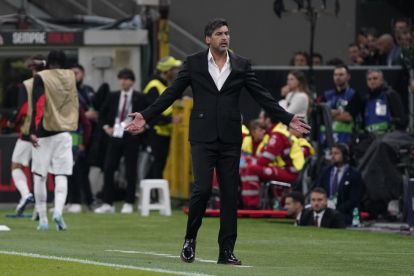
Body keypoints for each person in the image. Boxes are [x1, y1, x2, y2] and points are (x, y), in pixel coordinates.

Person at [126, 18, 310, 265]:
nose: (225, 37)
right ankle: (190, 240)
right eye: (219, 34)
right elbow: (171, 94)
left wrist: (287, 118)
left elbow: (263, 97)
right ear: (208, 39)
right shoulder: (193, 63)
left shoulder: (242, 65)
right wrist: (146, 116)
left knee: (229, 195)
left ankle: (226, 251)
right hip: (202, 137)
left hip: (231, 138)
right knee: (202, 189)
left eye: (227, 33)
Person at [30, 50, 79, 231]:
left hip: (44, 132)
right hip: (65, 131)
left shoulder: (42, 77)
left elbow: (39, 103)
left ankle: (43, 218)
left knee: (40, 176)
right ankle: (58, 211)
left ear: (48, 61)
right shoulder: (71, 76)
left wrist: (33, 131)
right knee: (61, 175)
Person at [94, 69, 148, 214]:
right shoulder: (113, 96)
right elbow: (102, 115)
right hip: (115, 135)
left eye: (127, 79)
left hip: (131, 136)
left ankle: (129, 202)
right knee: (109, 168)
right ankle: (107, 203)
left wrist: (142, 128)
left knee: (131, 170)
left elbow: (148, 115)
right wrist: (107, 128)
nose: (123, 81)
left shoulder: (139, 97)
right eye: (121, 78)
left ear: (132, 81)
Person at [7, 55, 46, 216]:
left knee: (16, 166)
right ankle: (39, 209)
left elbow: (23, 109)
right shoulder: (52, 84)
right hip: (47, 132)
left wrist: (12, 122)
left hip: (29, 132)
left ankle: (26, 195)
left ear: (32, 68)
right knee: (39, 171)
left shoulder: (28, 84)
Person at [143, 56, 182, 181]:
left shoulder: (163, 85)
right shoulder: (154, 86)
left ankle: (151, 194)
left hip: (164, 132)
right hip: (156, 133)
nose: (176, 71)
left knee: (159, 166)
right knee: (157, 166)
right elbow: (152, 112)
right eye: (173, 69)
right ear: (166, 71)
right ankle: (153, 196)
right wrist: (170, 120)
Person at [66, 64, 95, 213]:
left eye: (76, 73)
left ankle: (87, 201)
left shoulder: (89, 91)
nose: (74, 76)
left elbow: (94, 114)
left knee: (81, 170)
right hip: (68, 135)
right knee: (68, 169)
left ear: (82, 74)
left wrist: (84, 142)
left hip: (81, 136)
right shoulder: (66, 92)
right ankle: (71, 201)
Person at [315, 144, 363, 226]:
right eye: (331, 153)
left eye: (336, 153)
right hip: (324, 211)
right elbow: (319, 190)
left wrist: (336, 209)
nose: (333, 156)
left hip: (345, 214)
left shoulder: (354, 174)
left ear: (344, 155)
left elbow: (354, 198)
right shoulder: (325, 171)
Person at [320, 64, 361, 145]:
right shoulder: (326, 95)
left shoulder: (354, 95)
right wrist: (338, 112)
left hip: (345, 138)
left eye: (341, 75)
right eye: (335, 75)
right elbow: (320, 116)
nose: (338, 77)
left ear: (348, 76)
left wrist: (328, 113)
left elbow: (348, 117)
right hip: (326, 137)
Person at [363, 69, 407, 135]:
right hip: (370, 138)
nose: (372, 81)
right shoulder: (366, 100)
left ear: (381, 80)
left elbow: (401, 119)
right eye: (369, 79)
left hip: (387, 138)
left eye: (375, 78)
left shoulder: (390, 95)